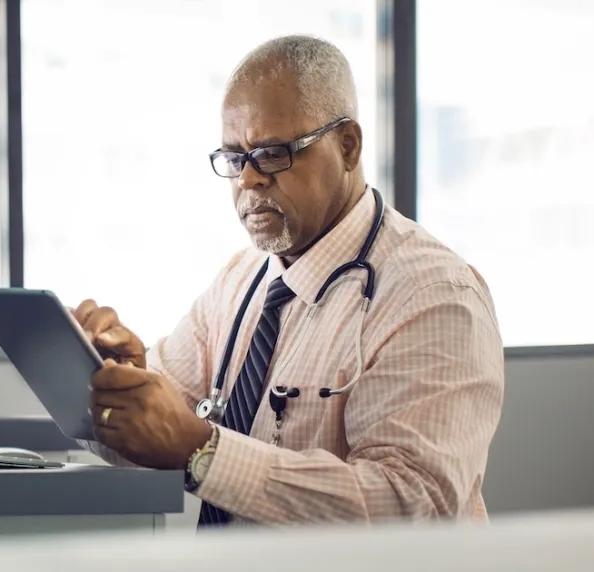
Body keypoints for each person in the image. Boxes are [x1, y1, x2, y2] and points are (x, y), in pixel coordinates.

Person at [73, 35, 504, 526]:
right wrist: (117, 386)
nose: (247, 180)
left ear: (348, 146)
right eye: (235, 158)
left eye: (273, 153)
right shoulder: (241, 281)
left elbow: (412, 506)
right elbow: (153, 436)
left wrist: (203, 450)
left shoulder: (432, 296)